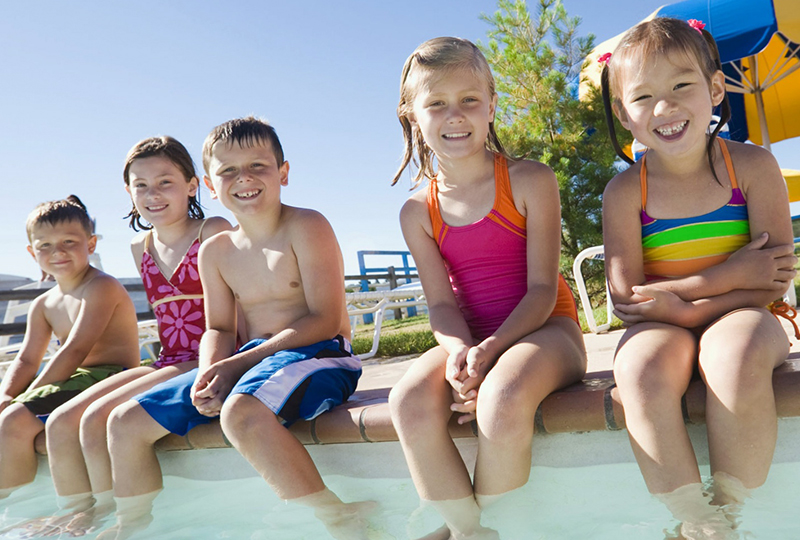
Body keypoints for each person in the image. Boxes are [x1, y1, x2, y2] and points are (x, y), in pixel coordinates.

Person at [100, 117, 366, 540]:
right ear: (209, 184)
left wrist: (236, 365)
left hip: (322, 354)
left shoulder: (306, 225)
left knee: (240, 413)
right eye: (228, 171)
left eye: (258, 166)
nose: (244, 178)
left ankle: (341, 520)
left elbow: (325, 320)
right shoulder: (216, 250)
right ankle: (134, 529)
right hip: (254, 362)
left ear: (283, 172)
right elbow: (219, 328)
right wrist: (208, 373)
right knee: (124, 422)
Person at [600, 17, 796, 536]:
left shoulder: (752, 167)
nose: (664, 108)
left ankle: (727, 513)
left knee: (735, 356)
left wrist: (685, 304)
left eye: (681, 86)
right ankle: (694, 518)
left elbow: (772, 281)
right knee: (638, 370)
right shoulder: (625, 192)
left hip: (749, 315)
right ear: (623, 113)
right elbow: (628, 298)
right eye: (643, 96)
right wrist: (725, 276)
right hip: (662, 324)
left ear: (714, 88)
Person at [388, 37, 587, 540]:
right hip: (473, 338)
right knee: (407, 401)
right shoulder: (417, 211)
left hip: (548, 331)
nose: (455, 115)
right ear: (412, 116)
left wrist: (491, 351)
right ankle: (469, 530)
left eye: (469, 100)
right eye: (436, 104)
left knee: (501, 397)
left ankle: (495, 527)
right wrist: (460, 352)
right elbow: (440, 304)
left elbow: (542, 290)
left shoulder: (530, 180)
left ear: (492, 105)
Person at [25, 137, 232, 536]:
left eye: (165, 182)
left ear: (192, 185)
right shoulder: (141, 245)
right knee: (65, 420)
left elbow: (231, 313)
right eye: (141, 185)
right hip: (169, 359)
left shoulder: (213, 229)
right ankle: (82, 512)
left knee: (107, 420)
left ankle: (129, 520)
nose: (153, 194)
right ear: (129, 192)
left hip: (213, 354)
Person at [0, 196, 140, 500]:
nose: (58, 252)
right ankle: (16, 506)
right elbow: (26, 359)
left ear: (91, 244)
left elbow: (75, 350)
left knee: (13, 422)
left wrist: (25, 399)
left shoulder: (101, 286)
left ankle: (23, 505)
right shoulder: (43, 304)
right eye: (45, 245)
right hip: (75, 380)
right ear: (31, 252)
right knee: (6, 413)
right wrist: (6, 395)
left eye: (68, 242)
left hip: (112, 375)